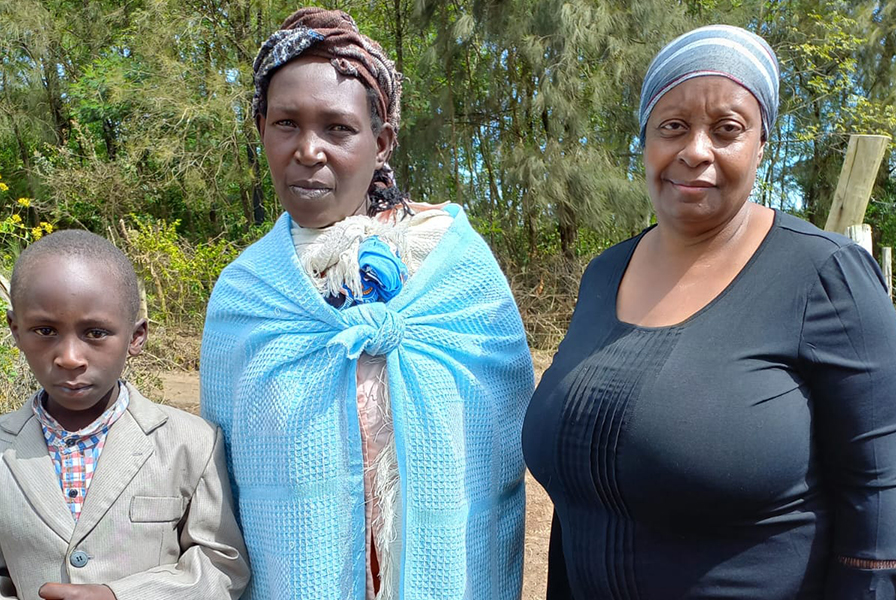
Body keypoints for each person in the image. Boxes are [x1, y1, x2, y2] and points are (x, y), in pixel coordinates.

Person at [523, 24, 896, 599]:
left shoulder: (825, 276)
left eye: (727, 129)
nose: (696, 150)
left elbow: (881, 495)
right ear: (645, 140)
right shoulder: (604, 274)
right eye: (673, 126)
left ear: (760, 145)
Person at [200, 7, 534, 600]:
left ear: (381, 142)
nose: (308, 150)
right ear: (260, 129)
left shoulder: (455, 267)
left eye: (337, 128)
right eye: (285, 124)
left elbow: (498, 447)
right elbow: (221, 482)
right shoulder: (246, 293)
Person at [0, 230, 249, 600]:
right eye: (45, 330)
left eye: (96, 332)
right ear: (15, 332)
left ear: (136, 337)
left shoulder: (191, 443)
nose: (70, 357)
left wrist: (120, 595)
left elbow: (223, 564)